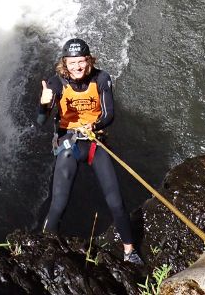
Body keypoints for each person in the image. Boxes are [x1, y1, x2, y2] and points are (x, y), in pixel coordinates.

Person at [37, 37, 143, 265]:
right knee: (59, 203)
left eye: (82, 61)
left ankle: (129, 251)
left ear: (89, 61)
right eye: (72, 62)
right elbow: (40, 121)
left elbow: (109, 114)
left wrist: (93, 126)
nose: (77, 67)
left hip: (96, 142)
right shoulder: (57, 83)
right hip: (70, 144)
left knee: (116, 201)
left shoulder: (101, 79)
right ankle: (46, 248)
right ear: (64, 64)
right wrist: (44, 104)